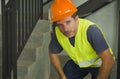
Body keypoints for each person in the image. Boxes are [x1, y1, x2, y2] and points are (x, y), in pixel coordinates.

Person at [48, 0, 115, 79]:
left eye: (68, 22)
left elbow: (108, 59)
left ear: (76, 18)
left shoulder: (91, 31)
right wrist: (62, 76)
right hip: (79, 63)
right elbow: (52, 53)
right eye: (60, 25)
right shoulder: (58, 32)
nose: (65, 29)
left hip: (99, 64)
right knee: (66, 75)